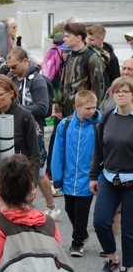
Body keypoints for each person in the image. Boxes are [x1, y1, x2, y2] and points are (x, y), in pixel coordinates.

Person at [5, 48, 59, 218]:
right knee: (27, 169)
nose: (11, 70)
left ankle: (48, 206)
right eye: (9, 67)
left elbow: (43, 109)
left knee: (35, 169)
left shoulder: (37, 81)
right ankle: (47, 205)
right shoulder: (11, 79)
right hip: (16, 131)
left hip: (34, 132)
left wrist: (17, 109)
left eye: (14, 66)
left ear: (25, 61)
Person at [90, 76, 133, 272]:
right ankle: (113, 259)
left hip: (132, 180)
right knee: (100, 221)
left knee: (129, 228)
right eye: (117, 91)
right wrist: (92, 176)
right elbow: (98, 150)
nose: (121, 94)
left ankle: (128, 268)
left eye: (125, 91)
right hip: (109, 177)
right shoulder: (107, 118)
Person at [51, 90, 100, 257]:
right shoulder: (65, 125)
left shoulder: (98, 125)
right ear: (77, 106)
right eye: (88, 108)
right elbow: (58, 152)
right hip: (69, 177)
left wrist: (97, 176)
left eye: (94, 107)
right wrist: (57, 177)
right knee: (69, 208)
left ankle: (77, 242)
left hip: (88, 178)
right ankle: (83, 234)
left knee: (81, 211)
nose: (92, 111)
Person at [0, 75, 42, 183]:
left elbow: (34, 153)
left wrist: (32, 184)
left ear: (11, 93)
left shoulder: (25, 116)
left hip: (20, 177)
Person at [56, 21, 108, 118]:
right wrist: (58, 105)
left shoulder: (92, 58)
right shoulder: (70, 55)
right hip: (68, 112)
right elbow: (63, 82)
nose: (64, 39)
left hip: (84, 113)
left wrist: (93, 113)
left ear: (78, 38)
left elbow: (98, 89)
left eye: (67, 36)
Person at [87, 24, 120, 91]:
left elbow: (115, 79)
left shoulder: (111, 58)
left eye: (92, 40)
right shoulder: (87, 52)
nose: (88, 42)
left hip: (104, 92)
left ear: (101, 39)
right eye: (87, 39)